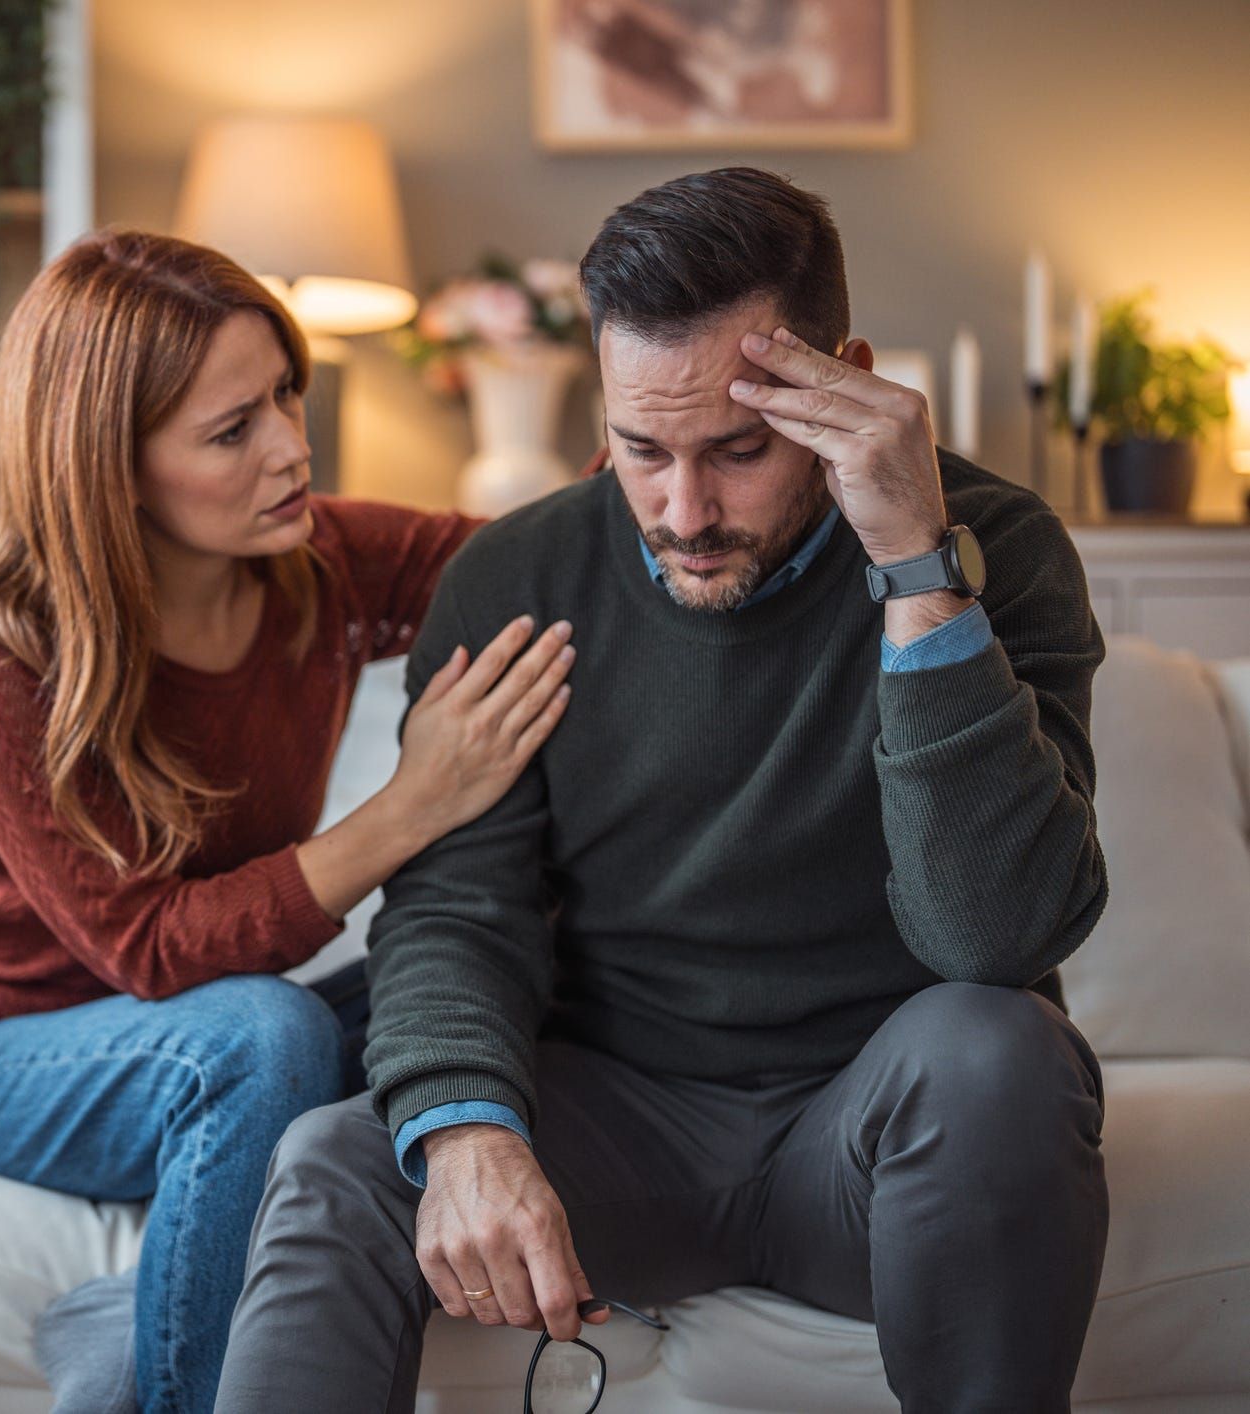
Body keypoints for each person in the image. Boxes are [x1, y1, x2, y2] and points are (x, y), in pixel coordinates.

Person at [214, 167, 1111, 1414]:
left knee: (998, 1047)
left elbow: (995, 934)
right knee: (335, 1156)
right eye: (643, 449)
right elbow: (457, 910)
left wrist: (917, 572)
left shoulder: (991, 551)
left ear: (838, 381)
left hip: (875, 1141)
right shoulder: (517, 574)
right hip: (612, 1136)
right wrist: (470, 1132)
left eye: (738, 450)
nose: (683, 512)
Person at [0, 228, 576, 1414]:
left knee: (478, 996)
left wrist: (661, 454)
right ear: (113, 464)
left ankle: (126, 1324)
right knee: (262, 1036)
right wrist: (413, 805)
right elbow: (147, 953)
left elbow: (534, 565)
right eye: (232, 429)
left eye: (285, 395)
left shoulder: (320, 558)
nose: (294, 449)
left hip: (214, 1031)